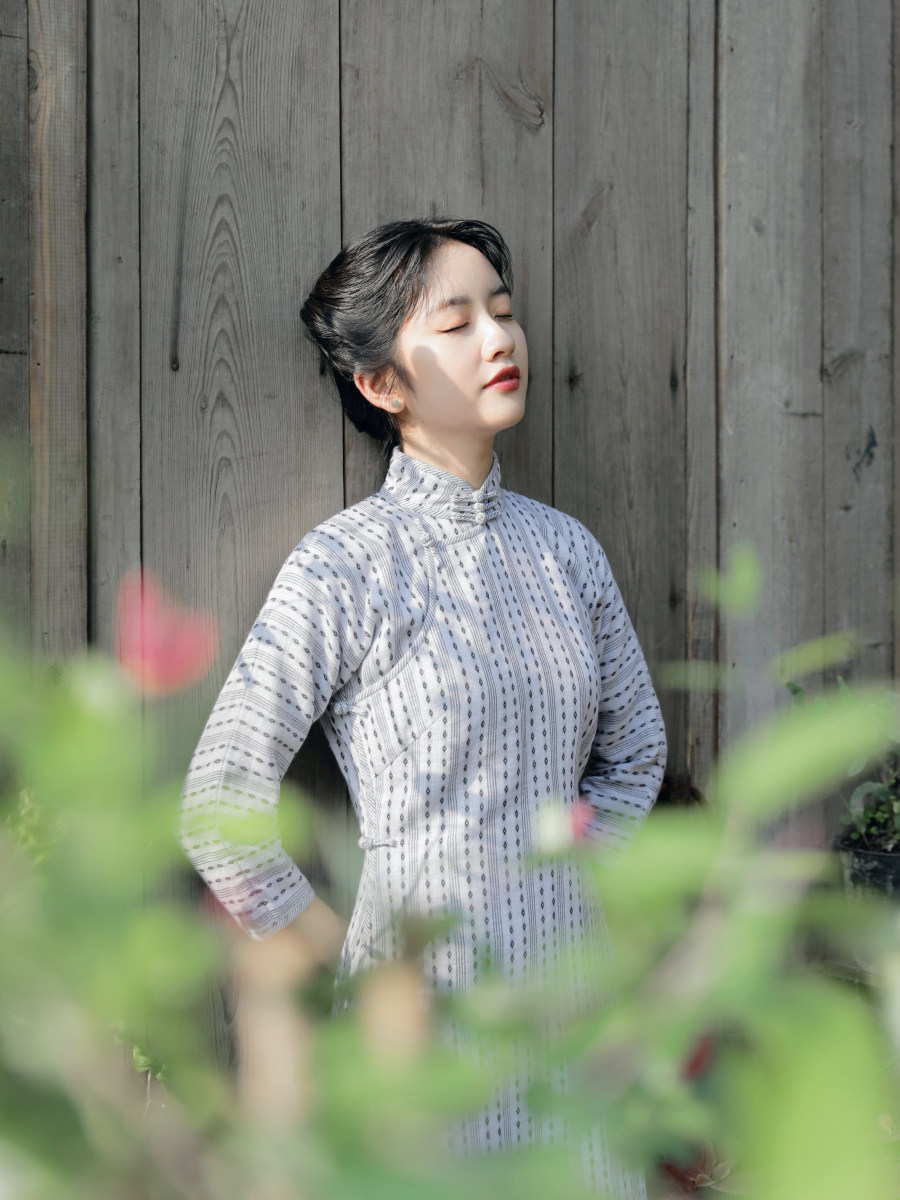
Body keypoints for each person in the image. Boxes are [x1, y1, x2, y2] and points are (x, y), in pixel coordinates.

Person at [177, 216, 667, 1195]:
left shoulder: (567, 551)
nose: (499, 338)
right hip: (421, 1025)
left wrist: (570, 889)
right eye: (456, 323)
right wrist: (339, 957)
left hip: (573, 1004)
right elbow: (218, 803)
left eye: (504, 311)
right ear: (381, 384)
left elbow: (638, 750)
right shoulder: (344, 565)